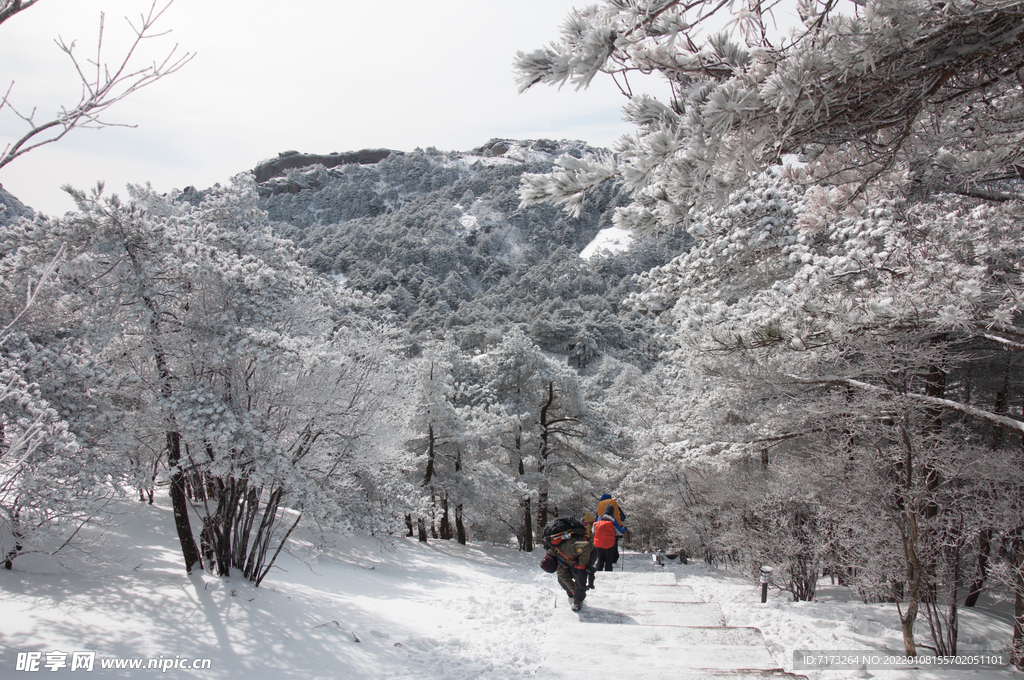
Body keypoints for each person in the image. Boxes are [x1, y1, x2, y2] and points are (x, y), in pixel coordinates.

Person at [543, 519, 594, 611]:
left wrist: (582, 564)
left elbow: (586, 546)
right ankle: (573, 594)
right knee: (561, 579)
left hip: (589, 552)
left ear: (557, 561)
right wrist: (573, 590)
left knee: (579, 574)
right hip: (570, 558)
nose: (559, 568)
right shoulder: (551, 555)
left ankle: (578, 600)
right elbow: (562, 575)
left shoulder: (567, 548)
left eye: (558, 566)